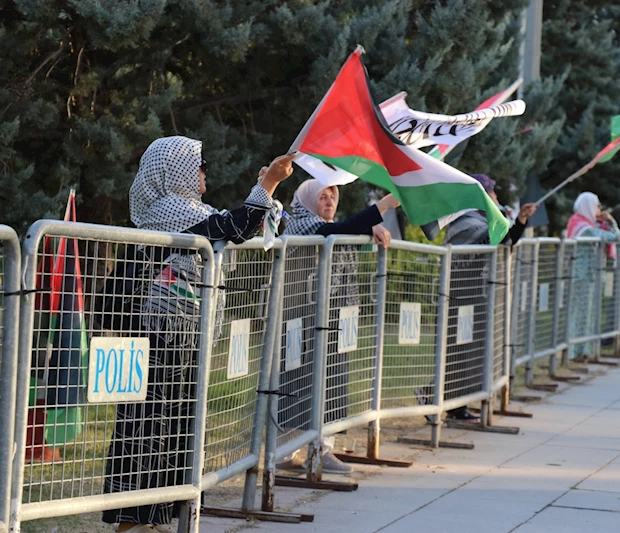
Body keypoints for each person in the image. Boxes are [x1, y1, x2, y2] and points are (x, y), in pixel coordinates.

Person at [101, 136, 294, 533]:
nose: (205, 169)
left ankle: (157, 518)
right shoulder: (168, 209)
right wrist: (268, 184)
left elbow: (260, 226)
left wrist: (267, 190)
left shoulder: (191, 210)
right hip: (155, 337)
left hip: (182, 337)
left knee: (179, 425)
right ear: (173, 170)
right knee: (146, 425)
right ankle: (132, 521)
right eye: (198, 162)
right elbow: (235, 225)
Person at [277, 178, 399, 474]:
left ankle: (322, 448)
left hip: (332, 321)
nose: (330, 201)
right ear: (307, 200)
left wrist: (369, 226)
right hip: (302, 319)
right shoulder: (301, 224)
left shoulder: (329, 226)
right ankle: (287, 451)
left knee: (331, 381)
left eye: (333, 195)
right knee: (298, 382)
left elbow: (340, 229)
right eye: (322, 196)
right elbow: (334, 231)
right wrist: (381, 208)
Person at [420, 174, 536, 423]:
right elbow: (491, 239)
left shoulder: (486, 218)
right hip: (459, 292)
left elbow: (504, 240)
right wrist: (505, 221)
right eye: (492, 192)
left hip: (475, 293)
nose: (496, 196)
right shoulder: (466, 218)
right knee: (457, 350)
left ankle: (456, 403)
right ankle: (433, 395)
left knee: (469, 350)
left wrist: (521, 221)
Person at [567, 193, 620, 358]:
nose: (599, 209)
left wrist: (611, 221)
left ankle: (584, 349)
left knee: (588, 313)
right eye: (597, 205)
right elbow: (599, 235)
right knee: (578, 313)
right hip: (579, 275)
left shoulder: (592, 223)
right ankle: (573, 350)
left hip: (590, 274)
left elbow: (611, 232)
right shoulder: (579, 223)